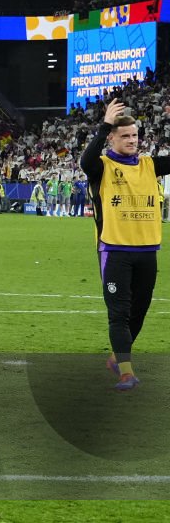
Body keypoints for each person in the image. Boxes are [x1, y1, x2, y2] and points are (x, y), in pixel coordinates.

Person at [81, 98, 170, 390]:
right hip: (114, 250)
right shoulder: (102, 167)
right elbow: (85, 160)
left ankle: (116, 358)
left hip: (147, 251)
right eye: (126, 136)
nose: (132, 140)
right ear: (112, 138)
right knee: (118, 312)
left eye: (135, 135)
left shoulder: (148, 165)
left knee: (138, 312)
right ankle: (126, 371)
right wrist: (105, 122)